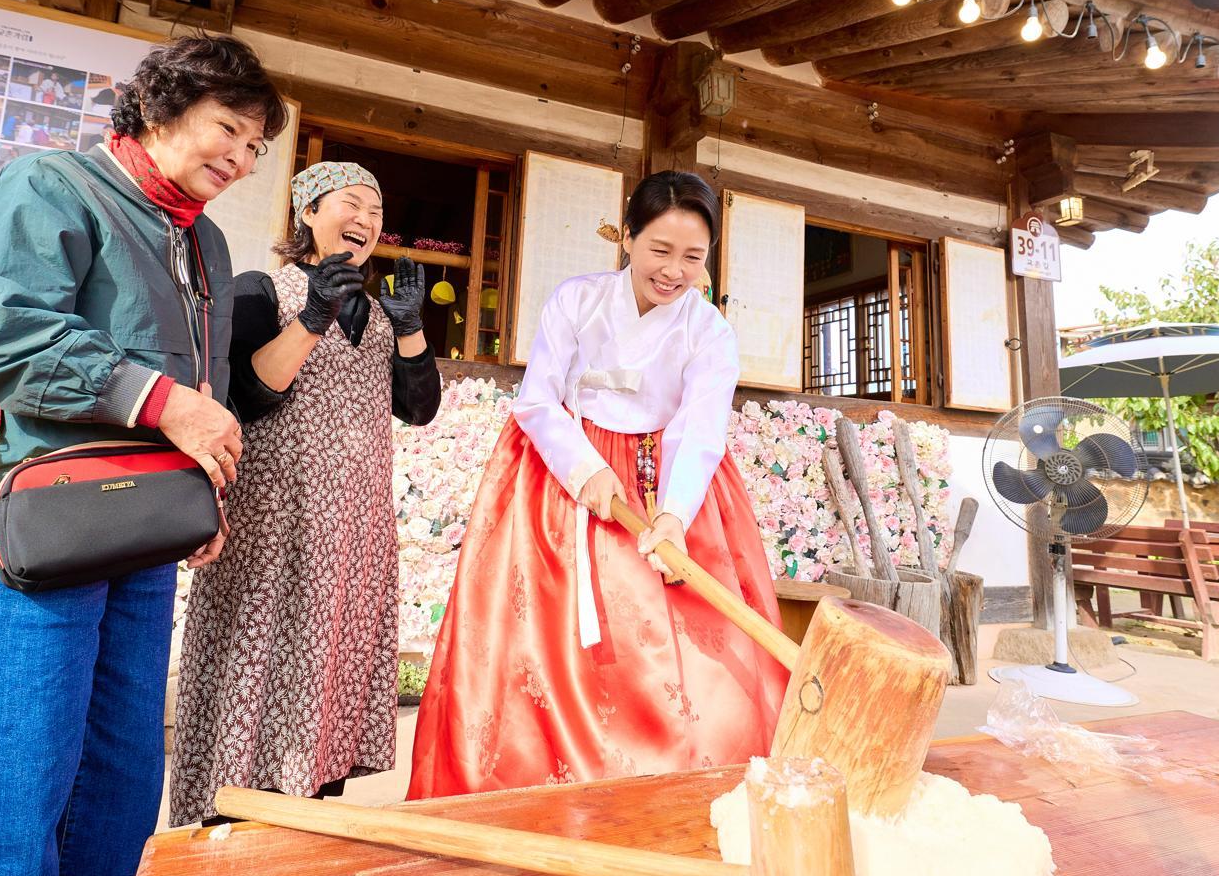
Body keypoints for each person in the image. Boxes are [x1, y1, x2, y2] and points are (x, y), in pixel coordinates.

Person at [0, 35, 287, 876]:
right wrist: (166, 405)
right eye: (227, 128)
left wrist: (205, 485)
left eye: (255, 147)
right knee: (5, 785)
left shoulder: (209, 244)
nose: (239, 157)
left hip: (142, 525)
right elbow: (3, 336)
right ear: (159, 108)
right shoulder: (52, 184)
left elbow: (206, 384)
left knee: (117, 780)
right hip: (32, 521)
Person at [407, 171, 788, 799]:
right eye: (659, 251)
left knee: (690, 662)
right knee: (537, 645)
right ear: (628, 239)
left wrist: (673, 517)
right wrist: (585, 471)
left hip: (666, 483)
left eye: (692, 257)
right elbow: (537, 402)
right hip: (563, 478)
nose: (674, 271)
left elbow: (698, 433)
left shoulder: (710, 331)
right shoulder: (576, 301)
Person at [170, 161, 442, 825]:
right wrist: (314, 316)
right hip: (272, 530)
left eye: (377, 212)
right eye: (352, 203)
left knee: (328, 679)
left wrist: (410, 330)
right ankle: (225, 824)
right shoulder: (265, 290)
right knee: (256, 667)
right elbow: (250, 393)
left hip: (353, 539)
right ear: (310, 213)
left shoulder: (379, 317)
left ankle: (309, 817)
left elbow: (421, 406)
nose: (368, 221)